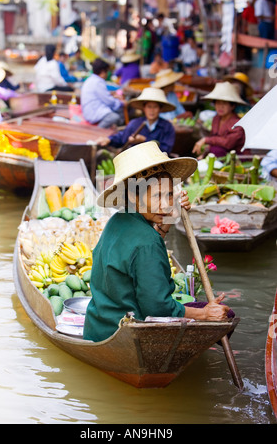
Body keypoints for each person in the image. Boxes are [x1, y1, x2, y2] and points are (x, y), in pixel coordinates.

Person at [83, 141, 232, 342]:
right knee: (226, 315)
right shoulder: (147, 242)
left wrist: (174, 212)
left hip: (98, 327)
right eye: (156, 196)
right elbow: (158, 308)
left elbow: (150, 242)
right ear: (133, 197)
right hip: (127, 333)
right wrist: (204, 314)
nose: (164, 204)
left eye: (169, 194)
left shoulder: (118, 219)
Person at [95, 87, 177, 154]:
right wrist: (109, 139)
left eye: (155, 107)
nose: (152, 110)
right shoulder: (135, 123)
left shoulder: (167, 127)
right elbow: (122, 138)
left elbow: (166, 149)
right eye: (149, 106)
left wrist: (145, 140)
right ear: (144, 108)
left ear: (160, 109)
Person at [192, 82, 247, 158]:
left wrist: (206, 140)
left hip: (236, 159)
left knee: (216, 150)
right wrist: (204, 154)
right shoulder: (216, 119)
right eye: (218, 103)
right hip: (217, 156)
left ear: (232, 106)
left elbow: (227, 143)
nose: (220, 107)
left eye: (224, 103)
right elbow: (214, 140)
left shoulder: (237, 124)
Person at [81, 58, 125, 128]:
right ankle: (98, 130)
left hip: (91, 110)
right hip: (93, 113)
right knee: (115, 117)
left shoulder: (92, 79)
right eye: (107, 71)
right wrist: (121, 102)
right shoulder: (98, 82)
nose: (107, 74)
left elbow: (105, 97)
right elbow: (109, 102)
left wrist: (113, 97)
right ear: (102, 72)